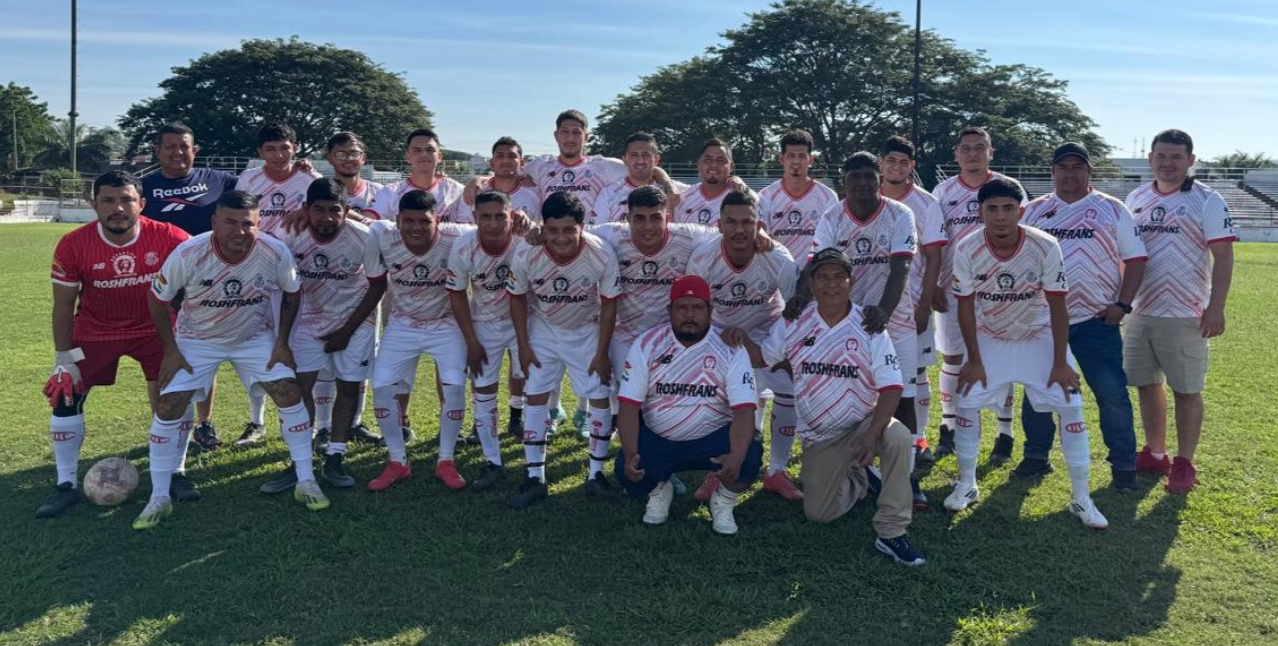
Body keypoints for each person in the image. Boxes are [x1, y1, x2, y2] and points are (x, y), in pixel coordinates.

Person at [140, 191, 322, 530]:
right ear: (214, 222)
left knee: (289, 391)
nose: (240, 231)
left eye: (248, 224)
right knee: (169, 405)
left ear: (258, 224)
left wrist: (282, 342)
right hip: (197, 339)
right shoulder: (188, 252)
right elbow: (157, 298)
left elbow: (293, 293)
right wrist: (171, 350)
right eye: (230, 223)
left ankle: (306, 480)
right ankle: (159, 495)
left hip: (254, 337)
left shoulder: (274, 251)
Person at [947, 178, 1107, 529]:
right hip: (992, 335)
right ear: (980, 212)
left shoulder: (1045, 245)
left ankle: (1081, 498)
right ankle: (967, 483)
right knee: (967, 401)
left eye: (1008, 208)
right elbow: (965, 307)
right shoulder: (967, 247)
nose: (1000, 216)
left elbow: (1058, 305)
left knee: (1071, 404)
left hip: (1038, 335)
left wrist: (1060, 362)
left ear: (1021, 211)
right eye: (992, 209)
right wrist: (974, 360)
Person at [749, 248, 926, 566]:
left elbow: (891, 387)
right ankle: (861, 478)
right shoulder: (793, 321)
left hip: (863, 422)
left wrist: (872, 434)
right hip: (821, 436)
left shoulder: (869, 324)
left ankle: (892, 531)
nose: (831, 284)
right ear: (812, 284)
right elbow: (764, 357)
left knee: (898, 437)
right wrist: (734, 338)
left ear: (851, 282)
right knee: (819, 513)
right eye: (823, 277)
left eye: (839, 277)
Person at [39, 171, 192, 519]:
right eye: (108, 200)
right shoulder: (73, 244)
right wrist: (63, 358)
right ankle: (65, 485)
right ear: (93, 204)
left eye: (126, 200)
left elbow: (197, 284)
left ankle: (176, 472)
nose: (118, 208)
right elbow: (63, 304)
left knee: (177, 394)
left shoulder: (171, 237)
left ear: (142, 204)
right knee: (65, 394)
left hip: (155, 329)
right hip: (95, 330)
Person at [1018, 143, 1147, 490]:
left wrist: (1122, 305)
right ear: (1052, 172)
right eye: (1063, 167)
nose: (1070, 173)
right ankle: (1036, 456)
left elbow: (1136, 258)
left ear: (1090, 171)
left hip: (1096, 321)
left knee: (1111, 393)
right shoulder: (1034, 211)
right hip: (1045, 322)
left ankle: (1123, 465)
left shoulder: (1111, 208)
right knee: (1038, 390)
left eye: (1078, 167)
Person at [1124, 129, 1236, 493]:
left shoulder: (1207, 199)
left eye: (1176, 157)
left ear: (1191, 160)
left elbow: (1223, 256)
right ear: (1150, 158)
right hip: (1140, 309)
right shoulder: (1137, 197)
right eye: (1161, 156)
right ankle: (1156, 452)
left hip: (1185, 311)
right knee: (1146, 383)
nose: (1167, 163)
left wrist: (1215, 307)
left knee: (1186, 389)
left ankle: (1185, 462)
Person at [813, 152, 927, 508]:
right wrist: (800, 300)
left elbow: (901, 267)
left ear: (879, 178)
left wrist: (884, 312)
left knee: (904, 398)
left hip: (896, 322)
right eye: (854, 177)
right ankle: (861, 470)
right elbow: (818, 268)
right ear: (843, 182)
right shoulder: (831, 217)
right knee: (851, 398)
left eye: (868, 176)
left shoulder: (900, 213)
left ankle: (907, 475)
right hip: (847, 324)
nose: (862, 183)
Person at [615, 276, 764, 535]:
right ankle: (660, 489)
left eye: (697, 307)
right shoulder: (647, 343)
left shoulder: (730, 348)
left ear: (710, 310)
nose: (689, 315)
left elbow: (743, 410)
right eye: (682, 307)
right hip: (660, 437)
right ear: (669, 310)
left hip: (712, 439)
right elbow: (628, 405)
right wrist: (629, 454)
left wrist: (736, 456)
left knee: (750, 456)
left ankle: (723, 499)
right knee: (625, 471)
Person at [507, 192, 622, 508]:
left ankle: (596, 475)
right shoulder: (527, 252)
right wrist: (523, 345)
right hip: (543, 330)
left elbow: (610, 304)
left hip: (585, 331)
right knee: (535, 395)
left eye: (569, 230)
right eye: (553, 230)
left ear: (582, 227)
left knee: (599, 395)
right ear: (543, 227)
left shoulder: (601, 253)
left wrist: (602, 352)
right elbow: (516, 296)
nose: (561, 238)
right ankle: (535, 477)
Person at [263, 178, 378, 492]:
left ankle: (335, 457)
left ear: (346, 210)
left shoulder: (364, 237)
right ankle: (301, 460)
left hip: (354, 322)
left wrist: (347, 331)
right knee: (299, 389)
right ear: (306, 209)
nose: (327, 217)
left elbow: (377, 285)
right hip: (308, 321)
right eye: (318, 210)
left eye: (334, 210)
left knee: (348, 388)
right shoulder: (288, 233)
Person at [686, 191, 801, 502]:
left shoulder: (778, 257)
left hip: (768, 331)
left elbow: (795, 311)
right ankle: (718, 469)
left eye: (747, 222)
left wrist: (779, 352)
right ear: (719, 225)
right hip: (721, 334)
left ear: (759, 225)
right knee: (723, 400)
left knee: (787, 389)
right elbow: (695, 309)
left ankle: (776, 471)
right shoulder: (703, 258)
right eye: (731, 222)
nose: (739, 230)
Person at [360, 190, 472, 492]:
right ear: (398, 220)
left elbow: (496, 226)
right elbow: (352, 221)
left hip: (445, 324)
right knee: (382, 389)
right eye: (408, 221)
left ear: (438, 220)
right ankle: (398, 461)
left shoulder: (458, 235)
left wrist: (523, 222)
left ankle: (446, 460)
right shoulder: (382, 234)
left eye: (424, 221)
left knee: (455, 388)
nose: (416, 228)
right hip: (403, 323)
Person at [140, 122, 239, 452]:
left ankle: (204, 423)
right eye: (170, 146)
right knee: (163, 357)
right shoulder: (145, 187)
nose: (178, 152)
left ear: (195, 150)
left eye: (184, 146)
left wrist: (302, 171)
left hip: (209, 284)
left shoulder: (221, 180)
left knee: (204, 354)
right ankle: (163, 425)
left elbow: (263, 191)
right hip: (163, 285)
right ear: (157, 150)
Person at [928, 127, 1025, 463]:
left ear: (990, 152)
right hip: (953, 288)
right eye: (966, 148)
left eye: (979, 148)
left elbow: (1024, 236)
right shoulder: (942, 191)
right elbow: (935, 242)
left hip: (1001, 290)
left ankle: (1004, 433)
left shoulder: (1009, 187)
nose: (972, 153)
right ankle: (949, 427)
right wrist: (934, 284)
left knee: (1001, 357)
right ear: (957, 155)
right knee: (953, 357)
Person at [232, 123, 323, 450]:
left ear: (295, 148)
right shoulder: (248, 179)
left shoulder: (309, 180)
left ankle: (318, 424)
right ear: (260, 152)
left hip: (302, 273)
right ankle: (256, 421)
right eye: (270, 149)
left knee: (302, 347)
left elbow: (327, 210)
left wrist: (306, 209)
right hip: (256, 274)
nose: (279, 154)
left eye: (284, 147)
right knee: (259, 345)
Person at [446, 189, 530, 491]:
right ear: (474, 218)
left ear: (512, 215)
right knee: (484, 391)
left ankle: (534, 464)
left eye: (500, 216)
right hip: (485, 324)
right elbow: (457, 293)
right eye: (486, 217)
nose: (493, 224)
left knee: (535, 389)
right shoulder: (463, 246)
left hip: (527, 323)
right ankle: (492, 461)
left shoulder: (526, 239)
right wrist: (471, 340)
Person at [879, 135, 945, 463]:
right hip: (871, 304)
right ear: (880, 162)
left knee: (916, 372)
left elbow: (934, 256)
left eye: (903, 162)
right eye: (890, 160)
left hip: (912, 303)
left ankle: (918, 439)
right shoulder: (865, 196)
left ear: (912, 166)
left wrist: (924, 303)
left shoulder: (926, 202)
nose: (896, 167)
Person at [757, 129, 840, 265]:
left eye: (801, 156)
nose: (796, 161)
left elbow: (833, 243)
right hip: (778, 272)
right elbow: (762, 237)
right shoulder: (765, 196)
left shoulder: (828, 197)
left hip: (815, 273)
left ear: (810, 160)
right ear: (781, 159)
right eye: (791, 156)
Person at [365, 128, 465, 222]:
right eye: (417, 150)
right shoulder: (390, 192)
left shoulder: (457, 191)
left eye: (430, 150)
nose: (424, 154)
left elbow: (469, 228)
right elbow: (367, 221)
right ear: (408, 157)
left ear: (439, 157)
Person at [593, 132, 687, 223]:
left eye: (646, 154)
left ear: (656, 159)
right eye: (634, 155)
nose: (640, 160)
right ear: (625, 159)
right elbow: (598, 230)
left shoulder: (676, 192)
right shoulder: (608, 194)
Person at [674, 139, 757, 226]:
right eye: (708, 160)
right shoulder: (683, 198)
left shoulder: (745, 199)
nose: (714, 165)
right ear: (698, 164)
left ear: (731, 167)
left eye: (720, 160)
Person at [325, 131, 383, 214]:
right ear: (330, 159)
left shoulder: (379, 192)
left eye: (354, 153)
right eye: (341, 154)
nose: (349, 159)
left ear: (363, 158)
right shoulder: (321, 192)